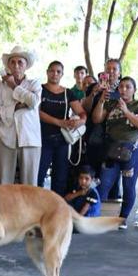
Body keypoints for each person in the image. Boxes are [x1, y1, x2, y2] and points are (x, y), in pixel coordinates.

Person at [93, 76, 138, 228]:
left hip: (132, 150)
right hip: (112, 149)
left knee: (128, 185)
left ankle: (122, 219)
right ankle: (96, 216)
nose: (123, 90)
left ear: (134, 90)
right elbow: (97, 119)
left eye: (128, 87)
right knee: (104, 183)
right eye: (121, 87)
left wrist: (126, 111)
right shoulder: (111, 104)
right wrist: (101, 101)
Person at [0, 48, 41, 186]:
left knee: (30, 184)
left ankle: (29, 208)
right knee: (3, 182)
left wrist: (13, 86)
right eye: (13, 62)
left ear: (26, 65)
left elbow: (33, 102)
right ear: (8, 65)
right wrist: (15, 107)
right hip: (5, 137)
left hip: (30, 138)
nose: (16, 66)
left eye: (20, 62)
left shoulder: (34, 84)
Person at [37, 61, 80, 195]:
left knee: (60, 179)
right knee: (39, 176)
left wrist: (80, 122)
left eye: (58, 71)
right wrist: (59, 122)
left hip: (62, 140)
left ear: (62, 74)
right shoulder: (39, 89)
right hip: (42, 139)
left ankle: (58, 211)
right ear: (47, 72)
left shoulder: (68, 93)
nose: (55, 74)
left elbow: (82, 112)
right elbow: (36, 112)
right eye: (52, 71)